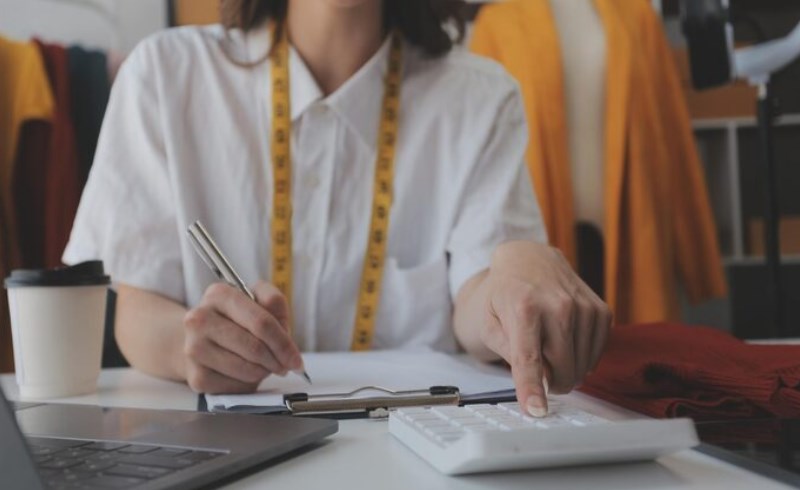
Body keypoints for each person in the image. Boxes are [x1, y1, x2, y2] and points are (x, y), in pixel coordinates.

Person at [64, 0, 612, 418]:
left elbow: (475, 305)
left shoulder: (481, 99)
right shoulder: (165, 74)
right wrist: (192, 348)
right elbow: (135, 308)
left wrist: (513, 271)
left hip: (415, 455)